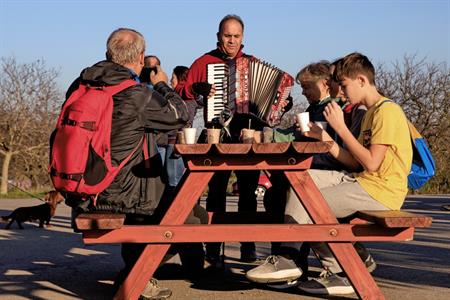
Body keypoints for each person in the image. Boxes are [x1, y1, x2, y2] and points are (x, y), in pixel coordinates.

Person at [246, 52, 413, 296]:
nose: (342, 92)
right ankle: (292, 258)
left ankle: (340, 271)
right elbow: (355, 164)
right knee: (301, 180)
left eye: (344, 85)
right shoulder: (372, 111)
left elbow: (372, 164)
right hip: (361, 180)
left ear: (361, 81)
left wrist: (340, 129)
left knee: (312, 205)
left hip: (381, 191)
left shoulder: (387, 112)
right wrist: (327, 140)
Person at [64, 28, 190, 299]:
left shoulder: (81, 84)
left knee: (149, 199)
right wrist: (162, 85)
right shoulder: (136, 95)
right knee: (190, 215)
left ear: (108, 54)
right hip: (122, 195)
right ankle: (137, 274)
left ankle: (137, 273)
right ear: (142, 57)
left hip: (85, 189)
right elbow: (179, 115)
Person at [176, 14, 262, 266]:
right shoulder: (204, 62)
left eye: (236, 36)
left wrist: (282, 103)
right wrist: (195, 90)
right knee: (216, 192)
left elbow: (270, 99)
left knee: (248, 193)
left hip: (246, 134)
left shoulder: (253, 64)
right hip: (217, 134)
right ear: (218, 37)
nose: (232, 41)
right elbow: (180, 90)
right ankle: (212, 247)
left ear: (243, 37)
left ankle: (249, 246)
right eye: (227, 36)